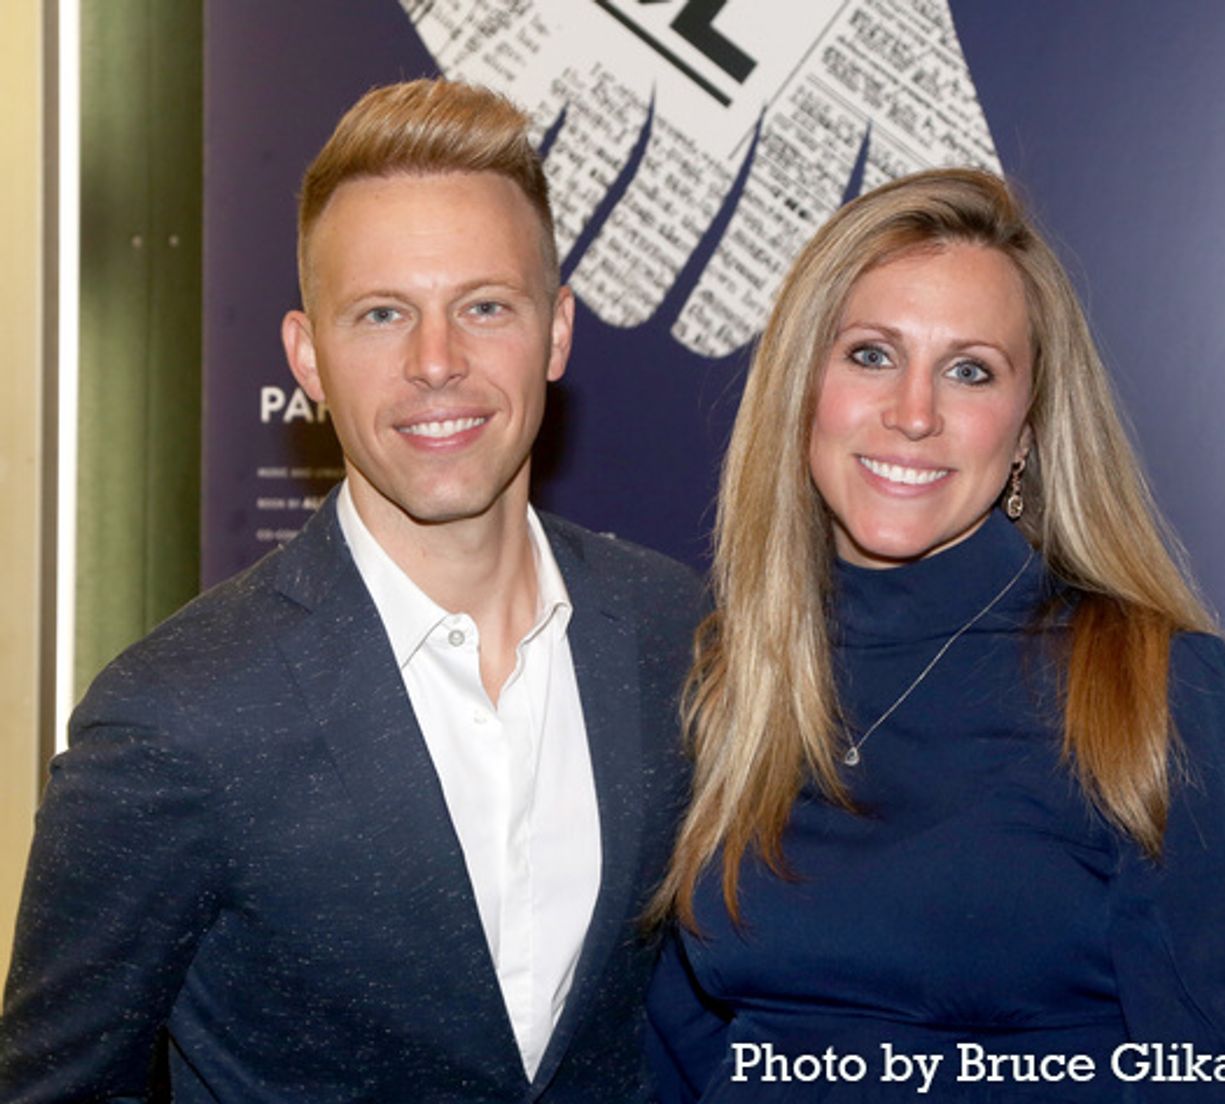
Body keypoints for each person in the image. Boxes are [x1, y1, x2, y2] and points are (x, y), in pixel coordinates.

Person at [0, 79, 701, 1102]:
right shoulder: (173, 717)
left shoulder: (674, 634)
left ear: (555, 333)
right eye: (381, 314)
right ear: (307, 358)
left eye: (484, 307)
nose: (435, 362)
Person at [645, 169, 1225, 1101]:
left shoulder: (1162, 693)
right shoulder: (723, 684)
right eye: (872, 355)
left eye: (971, 370)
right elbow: (674, 1061)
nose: (914, 414)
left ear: (1028, 430)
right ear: (803, 390)